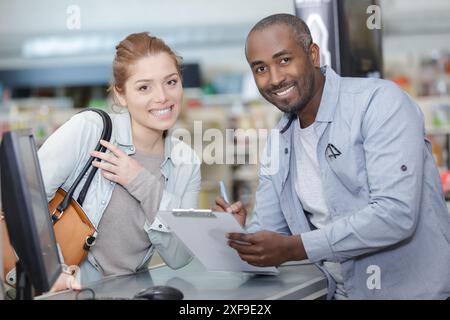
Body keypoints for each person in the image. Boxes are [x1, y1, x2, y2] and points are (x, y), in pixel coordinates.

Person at [214, 14, 450, 299]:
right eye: (261, 68)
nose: (275, 78)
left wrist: (294, 248)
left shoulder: (379, 103)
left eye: (285, 60)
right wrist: (242, 237)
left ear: (312, 55)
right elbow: (270, 229)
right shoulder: (278, 140)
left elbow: (395, 214)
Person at [39, 32, 200, 288]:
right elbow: (25, 200)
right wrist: (52, 270)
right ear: (121, 95)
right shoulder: (89, 130)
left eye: (171, 82)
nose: (162, 97)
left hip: (131, 291)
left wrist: (142, 182)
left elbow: (180, 256)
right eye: (144, 87)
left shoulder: (186, 162)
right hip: (69, 289)